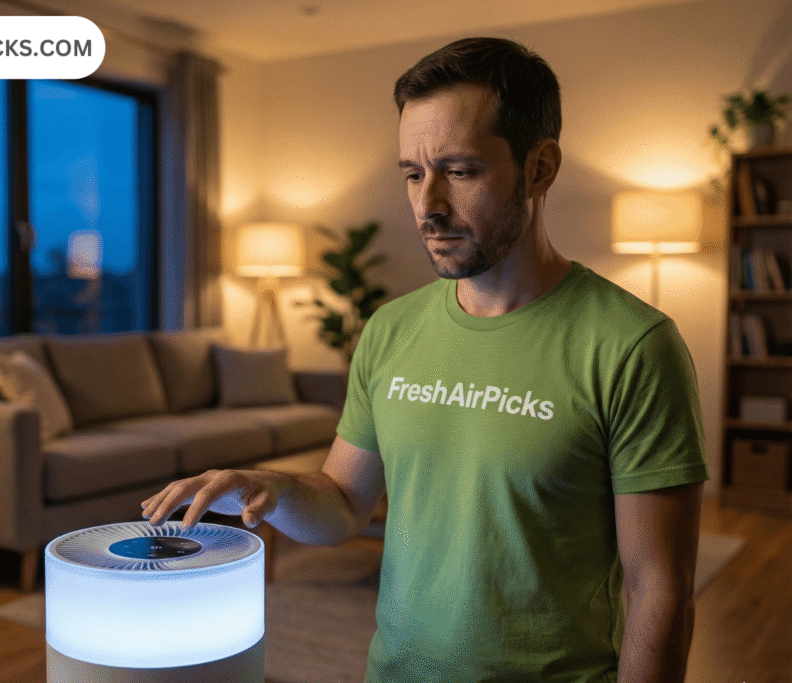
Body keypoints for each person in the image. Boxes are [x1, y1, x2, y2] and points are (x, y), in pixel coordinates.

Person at [141, 36, 709, 683]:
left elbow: (658, 586)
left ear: (540, 167)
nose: (428, 205)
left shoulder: (633, 345)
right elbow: (343, 502)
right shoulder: (391, 328)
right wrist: (268, 488)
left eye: (460, 171)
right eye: (413, 173)